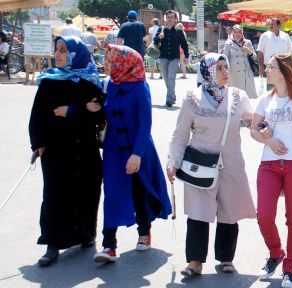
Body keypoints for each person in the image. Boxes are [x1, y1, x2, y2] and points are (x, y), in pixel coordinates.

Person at [167, 53, 256, 276]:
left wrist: (266, 128)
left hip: (231, 163)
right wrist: (174, 161)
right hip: (199, 164)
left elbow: (254, 121)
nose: (226, 73)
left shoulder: (239, 96)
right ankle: (195, 261)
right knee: (198, 212)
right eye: (219, 68)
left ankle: (226, 258)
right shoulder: (192, 98)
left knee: (229, 210)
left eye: (226, 68)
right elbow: (180, 134)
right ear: (207, 71)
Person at [29, 36, 104, 267]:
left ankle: (85, 234)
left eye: (63, 50)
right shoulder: (49, 82)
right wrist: (37, 142)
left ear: (75, 54)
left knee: (86, 191)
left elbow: (99, 117)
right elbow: (37, 116)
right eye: (57, 50)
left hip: (85, 149)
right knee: (54, 194)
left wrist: (74, 111)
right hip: (56, 149)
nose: (58, 54)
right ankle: (52, 243)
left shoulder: (91, 82)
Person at [93, 44, 172, 263]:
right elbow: (100, 109)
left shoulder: (139, 87)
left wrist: (137, 154)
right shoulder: (109, 84)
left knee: (139, 190)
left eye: (111, 61)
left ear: (124, 63)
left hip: (137, 149)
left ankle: (144, 232)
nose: (107, 64)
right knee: (112, 192)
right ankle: (109, 245)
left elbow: (145, 123)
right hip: (113, 149)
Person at [250, 52, 292, 288]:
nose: (267, 70)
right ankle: (275, 252)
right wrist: (267, 140)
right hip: (269, 165)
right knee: (264, 214)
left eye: (271, 67)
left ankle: (289, 268)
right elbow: (254, 130)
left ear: (285, 70)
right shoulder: (265, 100)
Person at [154, 10, 189, 107]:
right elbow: (155, 42)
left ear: (175, 19)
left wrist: (186, 56)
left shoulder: (179, 31)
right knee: (166, 78)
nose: (169, 19)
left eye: (171, 17)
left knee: (171, 77)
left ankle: (169, 99)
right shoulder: (161, 29)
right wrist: (159, 37)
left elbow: (184, 45)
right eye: (168, 17)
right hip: (163, 57)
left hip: (174, 58)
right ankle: (172, 95)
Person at [224, 24, 257, 99]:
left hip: (246, 72)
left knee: (248, 96)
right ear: (233, 33)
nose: (237, 34)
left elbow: (255, 57)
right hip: (233, 72)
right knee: (235, 96)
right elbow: (225, 58)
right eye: (235, 32)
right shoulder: (229, 43)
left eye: (239, 32)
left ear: (242, 33)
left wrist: (249, 51)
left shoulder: (247, 42)